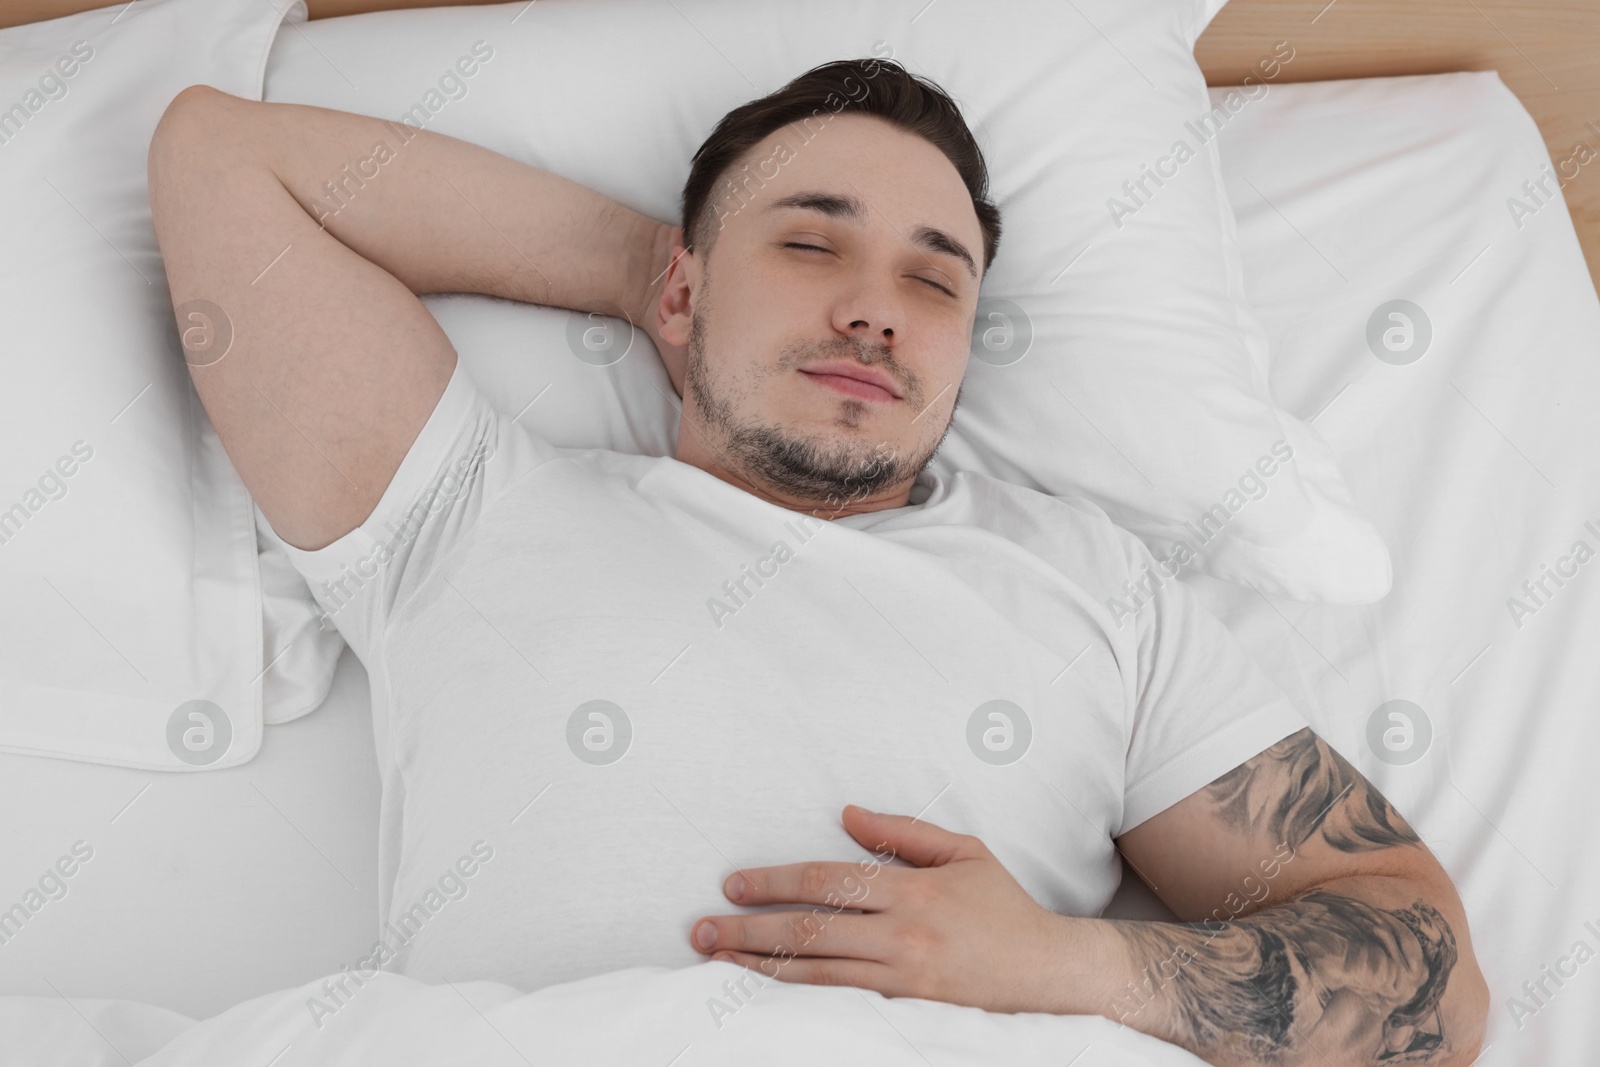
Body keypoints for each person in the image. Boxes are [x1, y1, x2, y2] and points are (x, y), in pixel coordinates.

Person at [147, 57, 1487, 1065]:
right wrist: (649, 273)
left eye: (935, 278)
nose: (872, 308)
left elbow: (1435, 979)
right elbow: (218, 157)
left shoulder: (1094, 587)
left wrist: (1073, 971)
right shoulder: (463, 509)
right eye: (808, 242)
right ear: (684, 290)